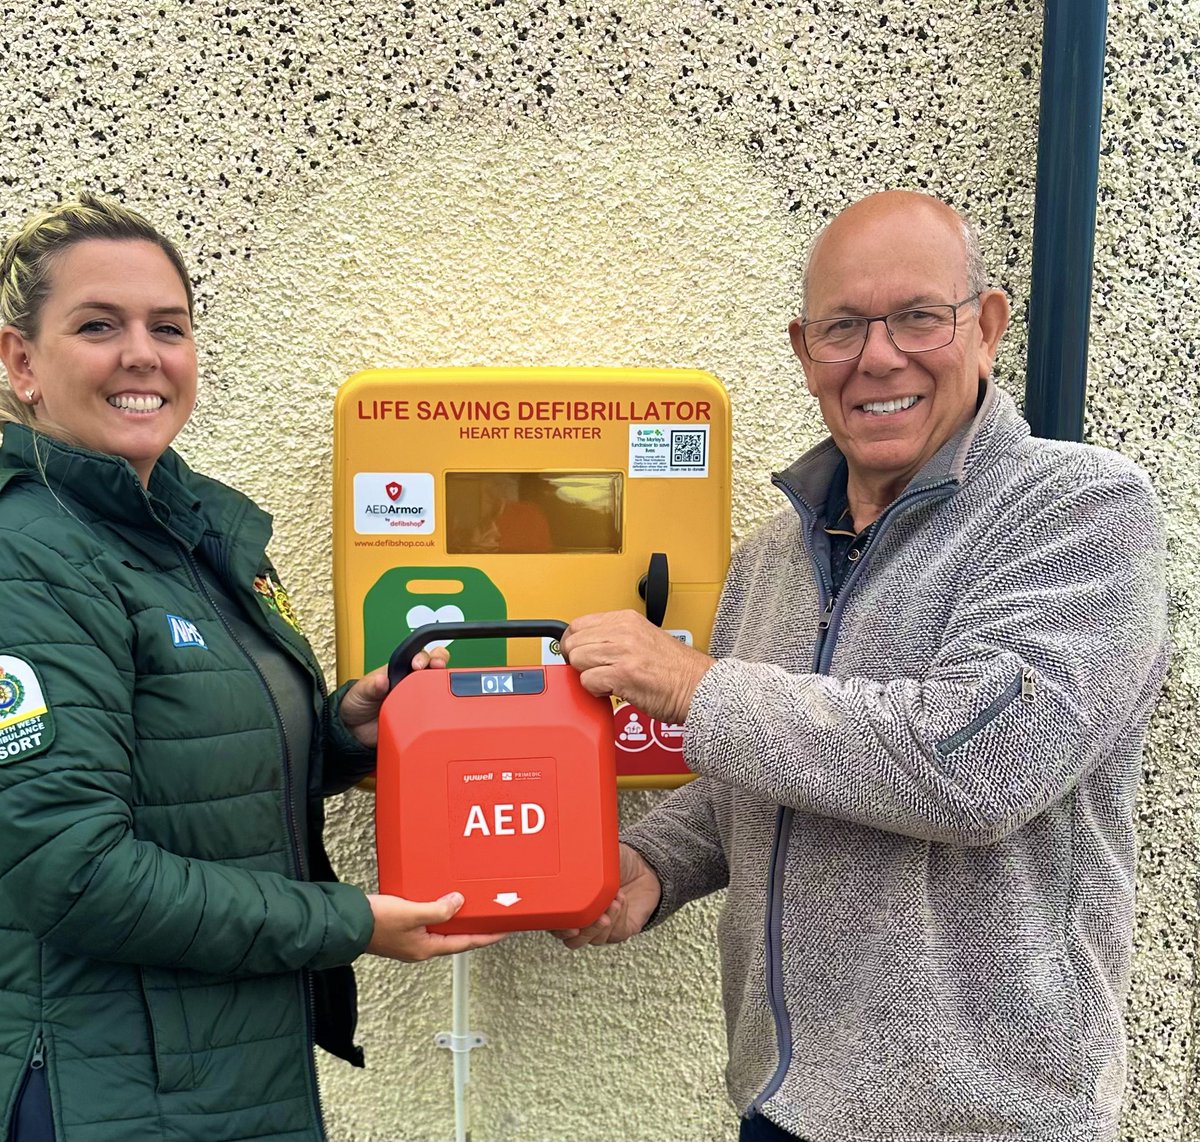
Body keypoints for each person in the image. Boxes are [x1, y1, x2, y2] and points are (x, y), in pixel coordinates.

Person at [557, 190, 1170, 1142]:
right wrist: (655, 862)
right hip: (781, 1101)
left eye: (919, 316)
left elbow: (976, 768)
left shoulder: (1079, 509)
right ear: (805, 353)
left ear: (987, 327)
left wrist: (689, 684)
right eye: (842, 328)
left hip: (984, 1121)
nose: (878, 357)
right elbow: (765, 767)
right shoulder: (770, 555)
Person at [0, 193, 502, 1142]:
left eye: (168, 327)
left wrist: (345, 731)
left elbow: (192, 771)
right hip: (112, 1087)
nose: (142, 354)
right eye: (98, 326)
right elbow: (69, 869)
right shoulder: (30, 555)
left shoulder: (190, 533)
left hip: (221, 1063)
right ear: (22, 362)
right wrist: (345, 922)